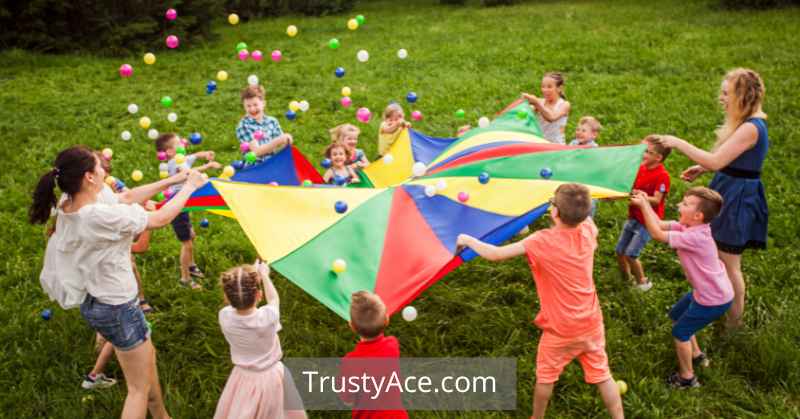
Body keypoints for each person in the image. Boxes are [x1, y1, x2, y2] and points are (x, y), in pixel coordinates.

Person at [32, 145, 208, 419]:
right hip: (118, 308)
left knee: (147, 365)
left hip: (99, 302)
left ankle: (162, 416)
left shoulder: (72, 200)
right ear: (89, 177)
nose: (105, 170)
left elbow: (125, 197)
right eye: (99, 166)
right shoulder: (98, 216)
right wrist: (189, 188)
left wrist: (175, 179)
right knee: (138, 388)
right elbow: (160, 218)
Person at [457, 184, 623, 419]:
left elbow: (495, 254)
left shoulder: (542, 240)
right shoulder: (588, 231)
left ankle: (537, 417)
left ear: (554, 212)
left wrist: (467, 239)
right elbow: (586, 217)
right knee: (603, 375)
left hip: (560, 328)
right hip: (590, 322)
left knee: (546, 377)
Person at [655, 68, 768, 329]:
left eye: (726, 93)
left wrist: (678, 143)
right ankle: (716, 300)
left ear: (742, 96)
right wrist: (703, 168)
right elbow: (728, 159)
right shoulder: (744, 123)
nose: (721, 98)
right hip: (729, 188)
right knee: (718, 256)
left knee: (730, 263)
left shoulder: (752, 127)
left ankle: (733, 325)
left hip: (738, 198)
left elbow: (717, 159)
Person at [631, 187, 733, 388]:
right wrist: (645, 201)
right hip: (707, 292)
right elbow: (659, 224)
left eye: (685, 204)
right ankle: (696, 355)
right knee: (678, 316)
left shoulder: (697, 238)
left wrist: (643, 205)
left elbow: (657, 234)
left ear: (698, 216)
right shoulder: (688, 227)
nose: (678, 205)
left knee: (680, 333)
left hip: (712, 299)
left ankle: (687, 378)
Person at [214, 262, 306, 419]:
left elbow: (240, 297)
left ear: (226, 298)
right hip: (271, 376)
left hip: (243, 376)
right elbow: (274, 300)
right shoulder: (268, 317)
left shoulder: (224, 316)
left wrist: (246, 278)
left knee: (243, 410)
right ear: (259, 295)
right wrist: (264, 275)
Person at [155, 133, 221, 289]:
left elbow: (190, 157)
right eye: (179, 144)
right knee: (187, 244)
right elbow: (188, 172)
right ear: (170, 152)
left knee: (191, 235)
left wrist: (202, 154)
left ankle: (191, 265)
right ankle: (185, 279)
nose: (183, 144)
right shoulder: (175, 164)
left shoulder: (180, 158)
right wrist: (205, 170)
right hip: (177, 208)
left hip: (183, 204)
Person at [340, 291, 408, 418]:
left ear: (352, 326)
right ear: (386, 320)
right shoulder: (392, 345)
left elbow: (347, 399)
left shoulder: (350, 362)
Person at [615, 135, 671, 291]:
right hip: (633, 217)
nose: (642, 154)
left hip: (647, 222)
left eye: (647, 151)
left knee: (631, 254)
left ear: (658, 157)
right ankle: (626, 279)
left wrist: (642, 197)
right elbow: (630, 187)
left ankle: (642, 283)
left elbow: (657, 200)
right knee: (620, 251)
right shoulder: (641, 168)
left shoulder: (662, 176)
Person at [236, 84, 294, 164]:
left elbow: (281, 148)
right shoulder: (243, 125)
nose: (252, 109)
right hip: (255, 167)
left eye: (255, 105)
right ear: (244, 107)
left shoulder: (272, 122)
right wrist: (278, 141)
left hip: (273, 164)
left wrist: (287, 142)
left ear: (263, 104)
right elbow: (256, 152)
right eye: (248, 106)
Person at [522, 72, 571, 144]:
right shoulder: (540, 102)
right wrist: (524, 104)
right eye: (543, 86)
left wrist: (536, 103)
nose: (545, 90)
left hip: (557, 147)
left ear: (559, 88)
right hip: (541, 144)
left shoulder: (564, 105)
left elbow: (552, 117)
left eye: (549, 87)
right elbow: (525, 114)